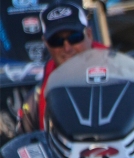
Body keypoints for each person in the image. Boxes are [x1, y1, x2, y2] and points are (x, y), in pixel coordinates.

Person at [16, 1, 107, 134]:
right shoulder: (35, 100)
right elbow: (25, 143)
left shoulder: (121, 78)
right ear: (46, 43)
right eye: (56, 41)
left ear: (89, 34)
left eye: (75, 37)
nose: (67, 48)